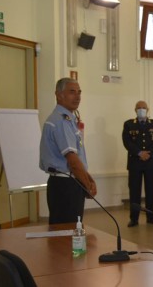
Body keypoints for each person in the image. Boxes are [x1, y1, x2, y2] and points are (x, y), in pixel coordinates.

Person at [40, 78, 97, 224]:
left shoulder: (68, 119)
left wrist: (87, 178)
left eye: (79, 92)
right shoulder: (61, 121)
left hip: (69, 181)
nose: (77, 96)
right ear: (59, 95)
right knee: (67, 233)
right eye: (72, 92)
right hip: (65, 185)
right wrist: (86, 185)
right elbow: (72, 160)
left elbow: (77, 157)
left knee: (68, 232)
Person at [122, 100, 153, 227]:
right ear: (135, 110)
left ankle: (151, 217)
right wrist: (139, 153)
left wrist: (147, 154)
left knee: (150, 191)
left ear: (147, 109)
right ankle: (134, 219)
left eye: (144, 107)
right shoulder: (129, 124)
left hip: (151, 163)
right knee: (134, 191)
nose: (141, 109)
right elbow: (127, 142)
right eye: (139, 108)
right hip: (135, 163)